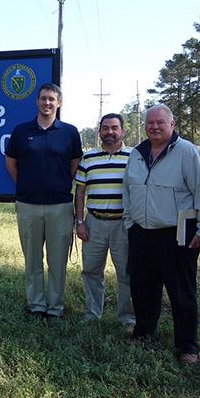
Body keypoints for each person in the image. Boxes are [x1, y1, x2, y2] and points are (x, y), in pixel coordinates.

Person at [122, 104, 200, 365]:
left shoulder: (186, 151)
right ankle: (144, 332)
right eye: (149, 123)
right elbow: (127, 189)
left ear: (172, 125)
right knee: (142, 288)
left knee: (181, 292)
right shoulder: (137, 153)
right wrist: (130, 222)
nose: (154, 127)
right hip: (141, 233)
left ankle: (187, 346)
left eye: (160, 123)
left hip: (176, 234)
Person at [5, 83, 83, 318]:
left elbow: (74, 164)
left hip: (60, 205)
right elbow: (11, 163)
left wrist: (57, 184)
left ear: (59, 103)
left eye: (51, 99)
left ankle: (55, 307)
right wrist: (28, 184)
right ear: (37, 102)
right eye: (43, 99)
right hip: (28, 205)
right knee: (32, 260)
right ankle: (37, 305)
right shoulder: (21, 131)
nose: (47, 103)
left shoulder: (69, 132)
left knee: (57, 261)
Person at [74, 113, 135, 328]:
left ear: (122, 131)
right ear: (99, 131)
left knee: (126, 273)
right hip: (94, 223)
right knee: (91, 270)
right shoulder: (88, 158)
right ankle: (92, 314)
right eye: (105, 128)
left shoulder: (134, 156)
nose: (110, 132)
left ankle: (127, 318)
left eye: (114, 128)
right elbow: (80, 192)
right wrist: (79, 222)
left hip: (124, 224)